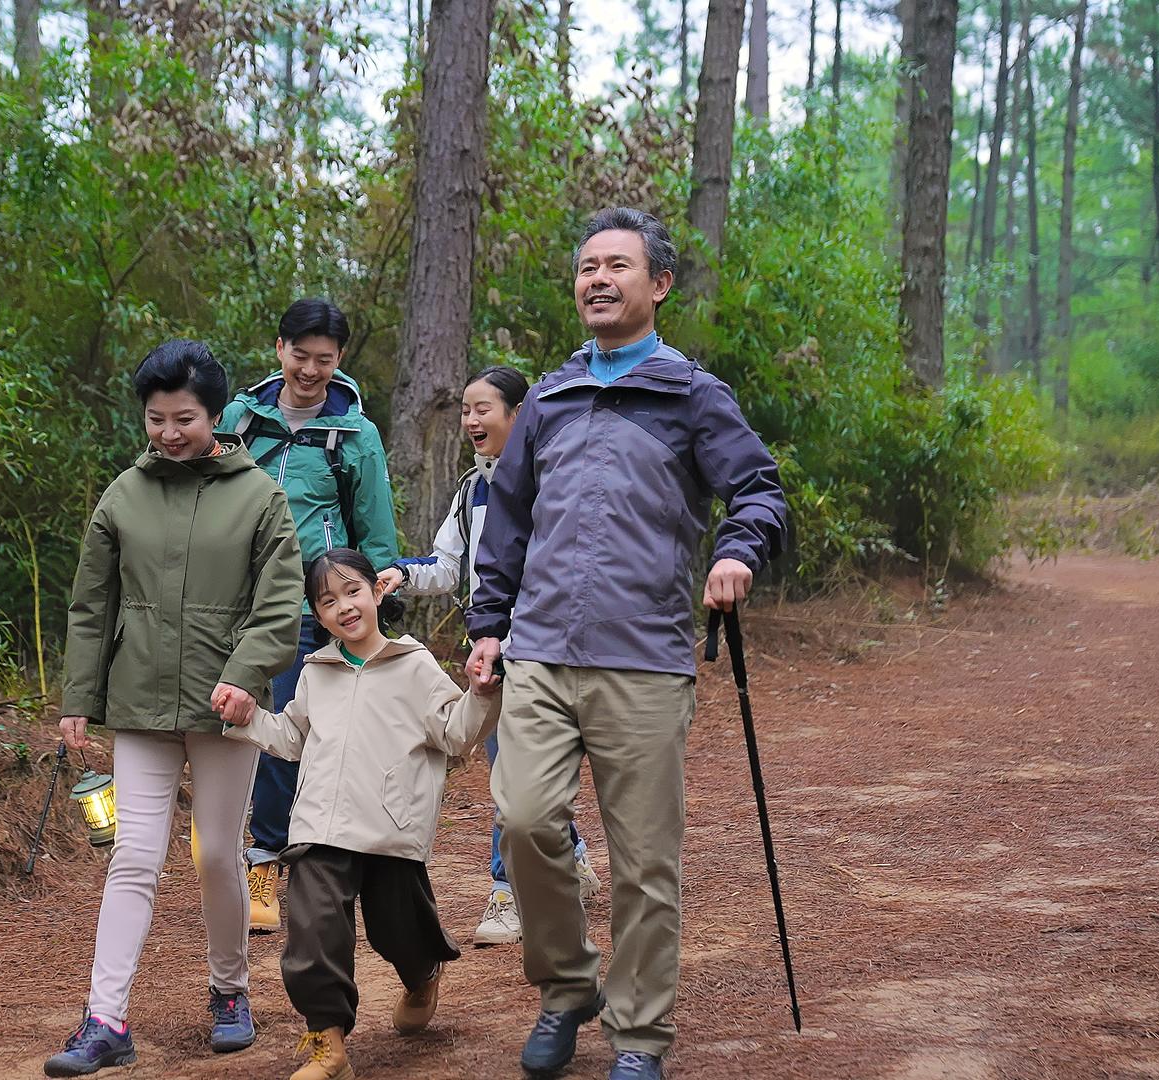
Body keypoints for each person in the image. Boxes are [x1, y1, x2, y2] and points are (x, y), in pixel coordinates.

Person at [466, 208, 788, 1080]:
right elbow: (510, 520)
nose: (597, 278)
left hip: (643, 658)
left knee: (646, 862)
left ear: (660, 285)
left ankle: (640, 1036)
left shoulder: (691, 395)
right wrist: (488, 625)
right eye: (585, 266)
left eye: (617, 265)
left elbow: (758, 490)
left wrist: (735, 553)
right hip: (540, 651)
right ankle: (569, 986)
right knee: (528, 820)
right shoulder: (552, 396)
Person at [44, 340, 305, 1077]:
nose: (166, 433)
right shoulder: (123, 494)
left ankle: (229, 992)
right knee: (131, 857)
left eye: (182, 418)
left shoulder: (259, 495)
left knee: (218, 855)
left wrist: (246, 677)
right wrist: (79, 696)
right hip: (141, 702)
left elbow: (280, 604)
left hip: (227, 709)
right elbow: (92, 604)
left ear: (216, 416)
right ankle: (105, 1019)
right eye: (155, 419)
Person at [224, 547, 500, 1080]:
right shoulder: (316, 671)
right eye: (327, 601)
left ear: (377, 592)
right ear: (318, 614)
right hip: (320, 825)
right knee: (312, 929)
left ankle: (421, 975)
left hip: (389, 828)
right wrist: (249, 718)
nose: (344, 607)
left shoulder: (413, 665)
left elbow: (457, 732)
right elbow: (292, 737)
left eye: (353, 591)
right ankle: (328, 1045)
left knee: (399, 930)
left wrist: (482, 692)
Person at [376, 365, 601, 948]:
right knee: (517, 771)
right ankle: (568, 854)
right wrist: (401, 574)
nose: (472, 420)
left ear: (519, 415)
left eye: (485, 409)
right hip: (491, 649)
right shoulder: (469, 491)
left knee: (518, 771)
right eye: (467, 411)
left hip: (548, 649)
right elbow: (449, 566)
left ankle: (507, 894)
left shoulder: (552, 482)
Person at [219, 298, 401, 933]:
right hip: (238, 604)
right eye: (300, 356)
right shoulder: (241, 419)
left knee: (300, 737)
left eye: (324, 360)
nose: (310, 371)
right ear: (279, 349)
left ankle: (291, 862)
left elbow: (373, 520)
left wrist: (380, 589)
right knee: (243, 732)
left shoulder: (354, 433)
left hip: (312, 607)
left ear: (339, 360)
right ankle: (254, 857)